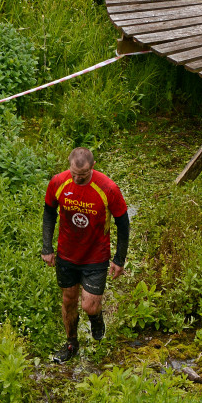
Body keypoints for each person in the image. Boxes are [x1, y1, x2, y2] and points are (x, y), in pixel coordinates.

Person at [41, 147, 129, 363]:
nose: (78, 178)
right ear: (69, 166)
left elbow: (123, 223)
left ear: (93, 166)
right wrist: (47, 247)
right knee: (68, 300)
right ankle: (71, 344)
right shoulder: (58, 182)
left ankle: (96, 318)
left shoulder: (108, 188)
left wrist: (119, 259)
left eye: (84, 174)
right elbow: (49, 213)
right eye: (74, 174)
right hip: (67, 254)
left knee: (89, 305)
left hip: (95, 255)